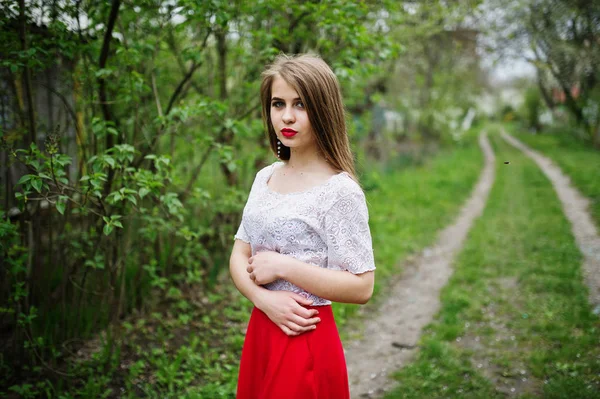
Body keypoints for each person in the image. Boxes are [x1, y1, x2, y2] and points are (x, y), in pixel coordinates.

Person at [229, 53, 376, 399]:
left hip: (304, 337)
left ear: (323, 111)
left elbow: (362, 287)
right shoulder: (265, 177)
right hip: (262, 327)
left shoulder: (339, 191)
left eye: (301, 104)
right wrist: (262, 300)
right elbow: (239, 253)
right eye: (278, 104)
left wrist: (284, 266)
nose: (287, 116)